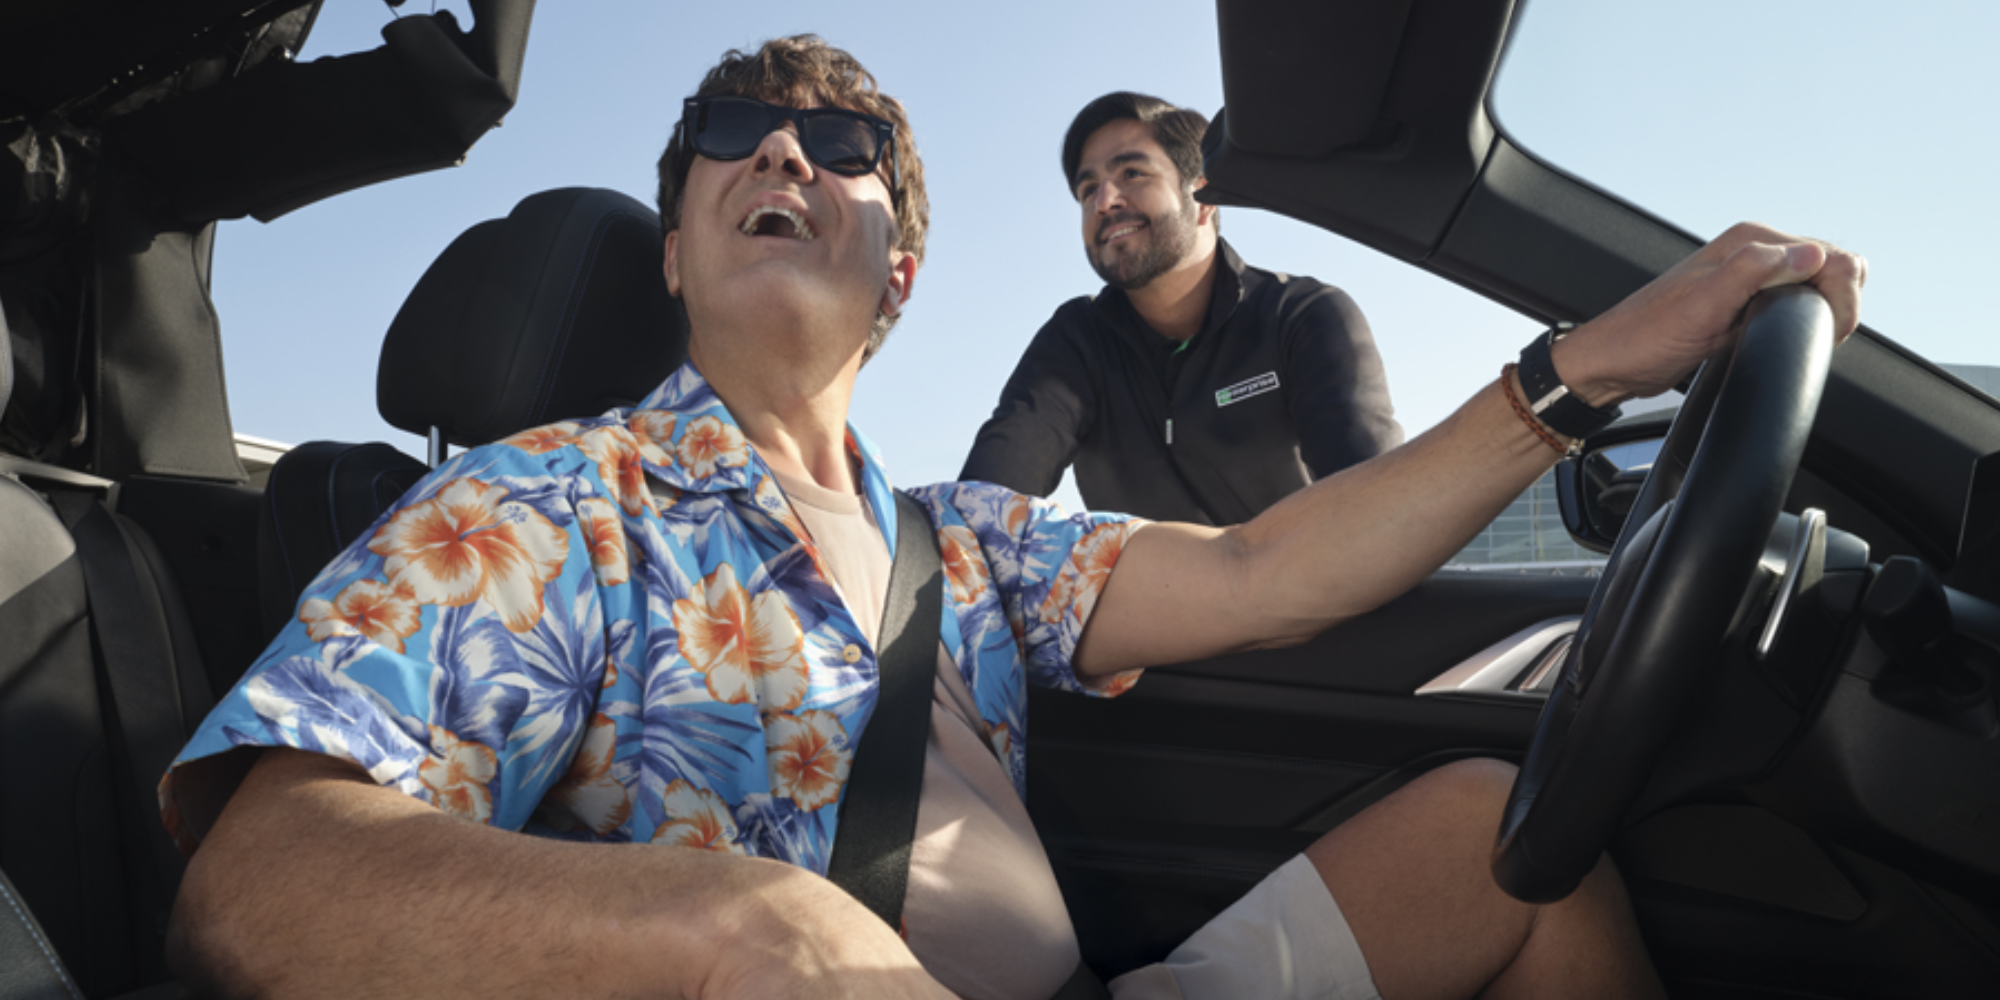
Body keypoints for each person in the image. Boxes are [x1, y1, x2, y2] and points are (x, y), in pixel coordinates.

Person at [162, 34, 1865, 1000]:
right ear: (674, 245)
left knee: (1511, 846)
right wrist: (744, 936)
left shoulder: (966, 540)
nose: (783, 157)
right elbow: (263, 879)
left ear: (897, 275)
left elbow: (1280, 568)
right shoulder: (539, 512)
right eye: (733, 142)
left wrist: (1584, 369)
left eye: (836, 148)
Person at [959, 92, 1403, 525]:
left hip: (1309, 596)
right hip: (1148, 600)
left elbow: (1376, 511)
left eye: (1132, 173)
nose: (1103, 202)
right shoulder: (1076, 342)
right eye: (1087, 188)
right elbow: (983, 507)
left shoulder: (1301, 317)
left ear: (1205, 199)